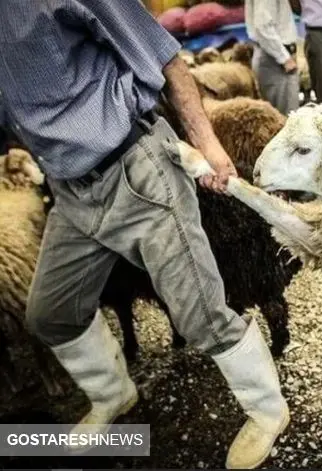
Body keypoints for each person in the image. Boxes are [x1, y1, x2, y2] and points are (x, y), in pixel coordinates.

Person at [0, 1, 288, 468]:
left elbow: (167, 57)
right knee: (50, 314)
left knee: (201, 316)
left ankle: (268, 410)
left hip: (135, 169)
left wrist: (210, 148)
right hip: (70, 191)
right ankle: (113, 394)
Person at [245, 0, 300, 115]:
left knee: (287, 117)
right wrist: (284, 58)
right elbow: (263, 26)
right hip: (274, 60)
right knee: (287, 119)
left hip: (275, 56)